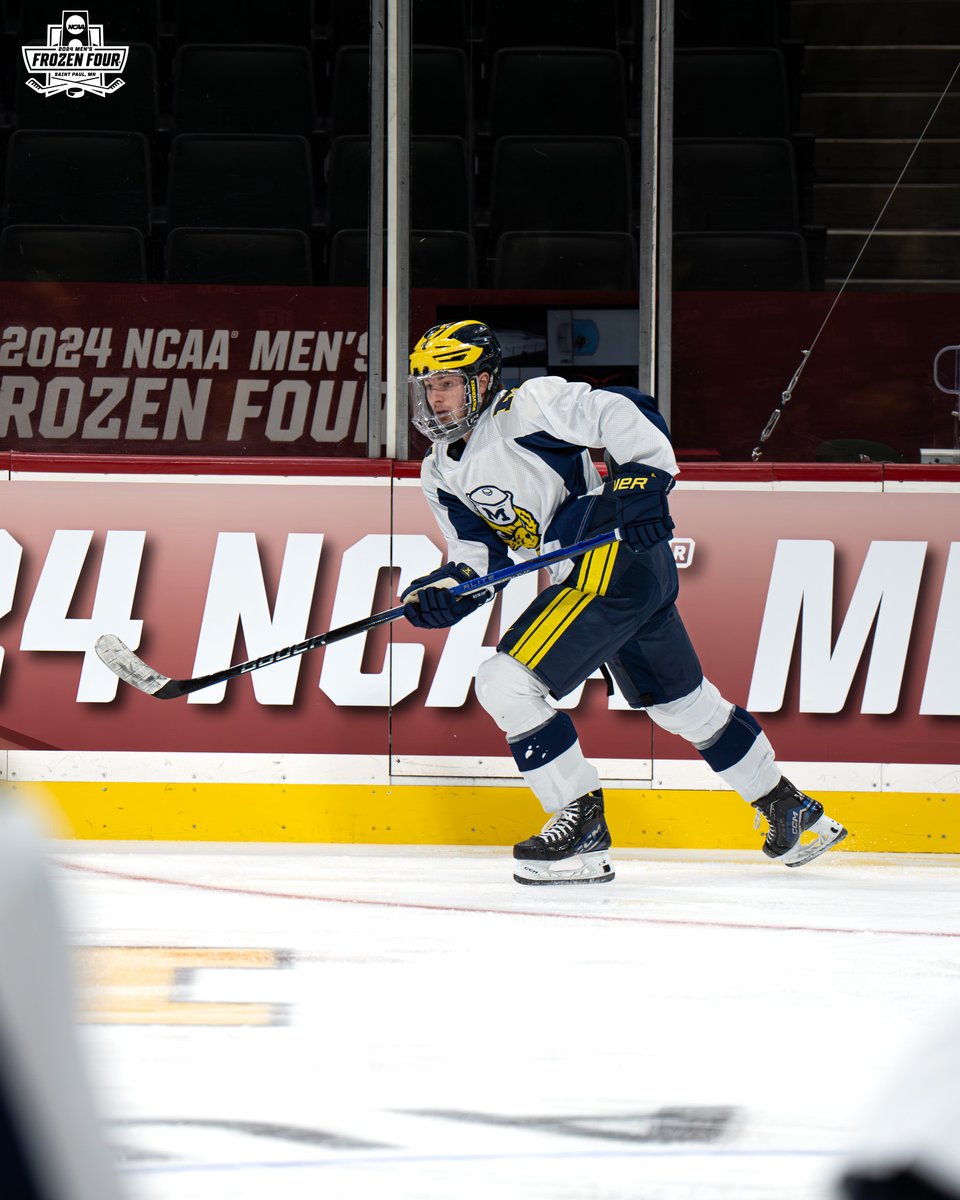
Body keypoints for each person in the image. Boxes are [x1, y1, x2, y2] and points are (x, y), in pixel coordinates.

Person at [401, 319, 848, 885]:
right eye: (428, 386)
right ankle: (787, 806)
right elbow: (482, 556)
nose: (435, 398)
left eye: (448, 383)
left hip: (609, 558)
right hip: (627, 574)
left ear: (483, 380)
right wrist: (443, 593)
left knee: (504, 682)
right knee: (681, 705)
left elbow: (622, 408)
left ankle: (580, 825)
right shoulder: (439, 471)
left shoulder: (528, 406)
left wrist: (643, 480)